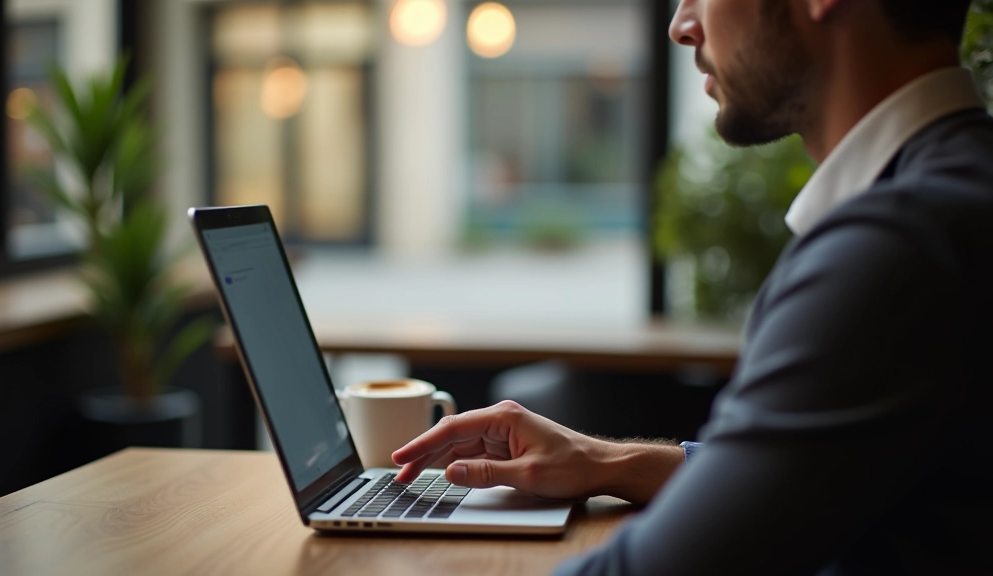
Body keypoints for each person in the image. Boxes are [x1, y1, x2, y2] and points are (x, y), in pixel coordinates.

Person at [394, 0, 993, 573]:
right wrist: (607, 461)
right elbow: (832, 475)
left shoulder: (901, 244)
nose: (682, 25)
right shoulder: (956, 194)